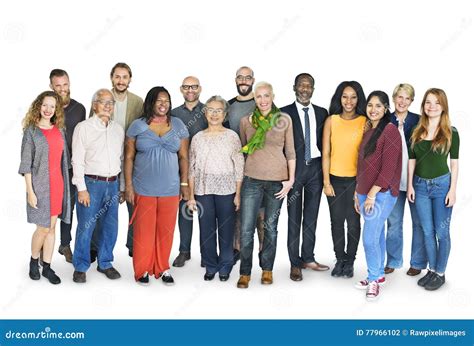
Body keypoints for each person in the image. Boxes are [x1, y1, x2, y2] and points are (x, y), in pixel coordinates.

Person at [125, 86, 189, 286]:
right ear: (150, 102)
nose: (163, 104)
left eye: (166, 101)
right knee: (144, 230)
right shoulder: (137, 126)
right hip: (143, 188)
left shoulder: (178, 125)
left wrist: (184, 183)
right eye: (159, 100)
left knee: (166, 230)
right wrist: (128, 186)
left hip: (170, 188)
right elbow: (128, 157)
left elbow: (184, 156)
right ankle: (142, 269)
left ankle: (162, 267)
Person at [237, 81, 296, 288]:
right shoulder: (246, 121)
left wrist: (291, 180)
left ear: (272, 97)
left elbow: (290, 152)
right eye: (259, 96)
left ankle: (267, 269)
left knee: (270, 228)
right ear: (255, 98)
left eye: (266, 96)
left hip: (277, 183)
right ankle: (245, 272)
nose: (263, 100)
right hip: (252, 180)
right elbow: (245, 151)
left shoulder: (283, 120)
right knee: (246, 229)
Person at [187, 96, 244, 281]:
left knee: (227, 230)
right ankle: (210, 265)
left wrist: (237, 194)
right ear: (205, 113)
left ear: (225, 114)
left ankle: (225, 266)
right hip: (202, 191)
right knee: (206, 230)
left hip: (227, 190)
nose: (214, 114)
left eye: (219, 110)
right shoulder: (197, 138)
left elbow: (239, 166)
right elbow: (191, 168)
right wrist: (191, 196)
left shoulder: (232, 136)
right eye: (210, 110)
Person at [408, 88, 459, 291]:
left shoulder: (451, 132)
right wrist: (410, 184)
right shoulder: (417, 131)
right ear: (423, 106)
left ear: (443, 106)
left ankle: (440, 272)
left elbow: (454, 163)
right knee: (427, 231)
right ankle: (431, 269)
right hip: (420, 187)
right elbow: (411, 161)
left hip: (441, 186)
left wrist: (452, 190)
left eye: (437, 102)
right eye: (428, 102)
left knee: (442, 231)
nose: (432, 106)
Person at [71, 89, 125, 283]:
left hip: (113, 183)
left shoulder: (118, 129)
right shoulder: (83, 128)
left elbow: (120, 158)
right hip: (91, 184)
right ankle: (80, 266)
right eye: (103, 102)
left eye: (111, 102)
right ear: (94, 105)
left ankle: (105, 263)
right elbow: (77, 160)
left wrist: (121, 187)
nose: (108, 106)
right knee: (86, 226)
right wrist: (82, 188)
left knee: (110, 226)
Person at [354, 90, 402, 301]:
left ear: (385, 109)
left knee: (369, 238)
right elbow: (362, 165)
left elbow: (388, 168)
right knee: (377, 235)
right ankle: (379, 275)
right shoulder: (368, 131)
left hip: (382, 193)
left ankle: (373, 279)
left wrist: (372, 194)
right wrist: (358, 193)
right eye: (370, 105)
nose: (373, 110)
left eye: (378, 106)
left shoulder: (390, 131)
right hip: (365, 192)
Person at [19, 91, 71, 284]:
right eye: (45, 105)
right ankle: (34, 262)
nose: (48, 110)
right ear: (38, 107)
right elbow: (26, 164)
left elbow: (63, 161)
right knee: (42, 228)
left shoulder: (60, 130)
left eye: (52, 106)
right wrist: (30, 191)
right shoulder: (31, 131)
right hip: (40, 186)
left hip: (58, 184)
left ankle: (47, 266)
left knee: (52, 227)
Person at [281, 73, 329, 282]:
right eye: (301, 85)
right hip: (294, 171)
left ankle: (308, 257)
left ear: (313, 89)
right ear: (294, 87)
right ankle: (295, 263)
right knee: (294, 218)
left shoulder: (322, 112)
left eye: (309, 85)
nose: (305, 89)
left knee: (311, 216)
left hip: (315, 171)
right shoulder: (283, 113)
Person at [322, 81, 367, 278]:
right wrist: (326, 181)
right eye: (345, 96)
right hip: (334, 179)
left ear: (359, 99)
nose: (349, 101)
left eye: (353, 97)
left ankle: (350, 261)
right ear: (339, 98)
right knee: (336, 222)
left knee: (354, 222)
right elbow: (326, 153)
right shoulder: (331, 120)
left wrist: (361, 185)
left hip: (356, 181)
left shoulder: (365, 121)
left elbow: (366, 156)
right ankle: (339, 259)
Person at [384, 84, 427, 276]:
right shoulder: (385, 119)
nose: (402, 101)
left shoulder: (418, 121)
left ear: (411, 101)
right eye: (399, 97)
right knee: (393, 223)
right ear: (394, 98)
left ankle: (417, 263)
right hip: (392, 182)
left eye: (407, 98)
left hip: (415, 181)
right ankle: (393, 260)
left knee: (418, 223)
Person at [227, 66, 265, 264]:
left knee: (261, 212)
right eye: (240, 77)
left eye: (247, 78)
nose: (244, 81)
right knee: (237, 209)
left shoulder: (262, 104)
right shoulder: (228, 106)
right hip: (235, 166)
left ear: (253, 80)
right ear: (235, 80)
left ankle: (263, 252)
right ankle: (237, 250)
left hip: (260, 166)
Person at [49, 69, 86, 263]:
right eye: (58, 85)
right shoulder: (47, 107)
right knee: (51, 208)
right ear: (51, 86)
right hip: (52, 167)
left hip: (72, 167)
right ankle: (43, 249)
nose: (63, 89)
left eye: (65, 84)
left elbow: (83, 138)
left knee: (69, 207)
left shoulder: (79, 109)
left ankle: (65, 244)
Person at [109, 62, 144, 258]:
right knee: (106, 209)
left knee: (134, 205)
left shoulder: (138, 102)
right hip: (108, 161)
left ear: (130, 79)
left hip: (132, 159)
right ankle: (98, 248)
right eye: (117, 76)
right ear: (112, 78)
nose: (121, 80)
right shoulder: (102, 98)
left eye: (125, 77)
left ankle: (133, 245)